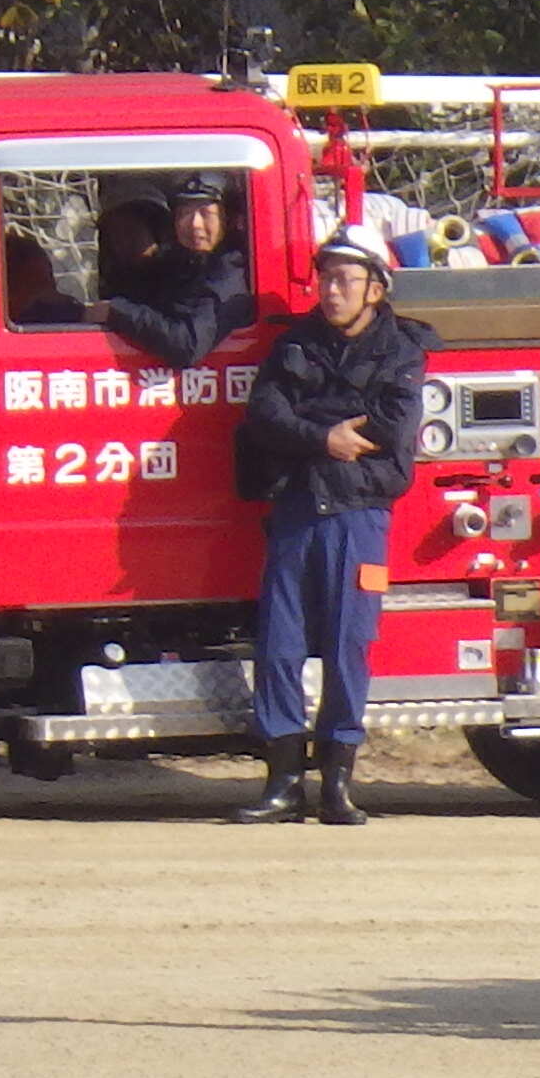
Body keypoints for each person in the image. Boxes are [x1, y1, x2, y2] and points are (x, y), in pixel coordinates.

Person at [230, 226, 436, 825]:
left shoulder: (401, 351)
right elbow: (265, 413)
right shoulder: (296, 342)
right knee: (278, 648)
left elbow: (391, 427)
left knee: (349, 647)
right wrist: (324, 434)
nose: (331, 289)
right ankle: (282, 785)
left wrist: (311, 426)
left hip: (358, 516)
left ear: (376, 287)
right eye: (326, 277)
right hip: (297, 509)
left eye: (346, 279)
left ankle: (337, 785)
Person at [100, 174, 256, 365]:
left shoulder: (229, 273)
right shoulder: (184, 263)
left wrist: (115, 312)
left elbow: (187, 344)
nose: (194, 224)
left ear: (228, 220)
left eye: (206, 214)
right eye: (185, 213)